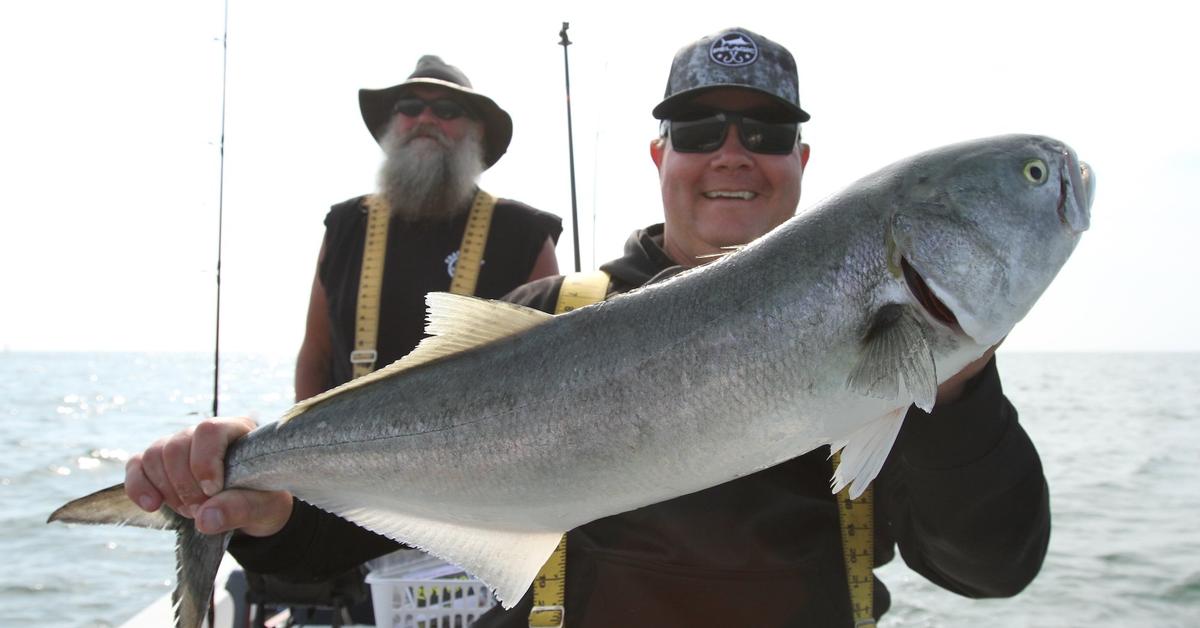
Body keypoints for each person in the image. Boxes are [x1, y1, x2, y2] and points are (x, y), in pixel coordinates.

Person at [124, 29, 1049, 627]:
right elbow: (364, 538)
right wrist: (262, 496)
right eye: (700, 130)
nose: (732, 153)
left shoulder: (922, 369)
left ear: (803, 161)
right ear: (661, 156)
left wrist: (960, 384)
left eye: (765, 134)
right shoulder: (546, 319)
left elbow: (991, 567)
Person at [296, 54, 562, 400]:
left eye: (447, 110)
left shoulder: (524, 234)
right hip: (345, 449)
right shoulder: (346, 225)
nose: (425, 118)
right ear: (394, 122)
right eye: (410, 107)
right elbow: (315, 356)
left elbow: (543, 364)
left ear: (477, 131)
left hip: (476, 447)